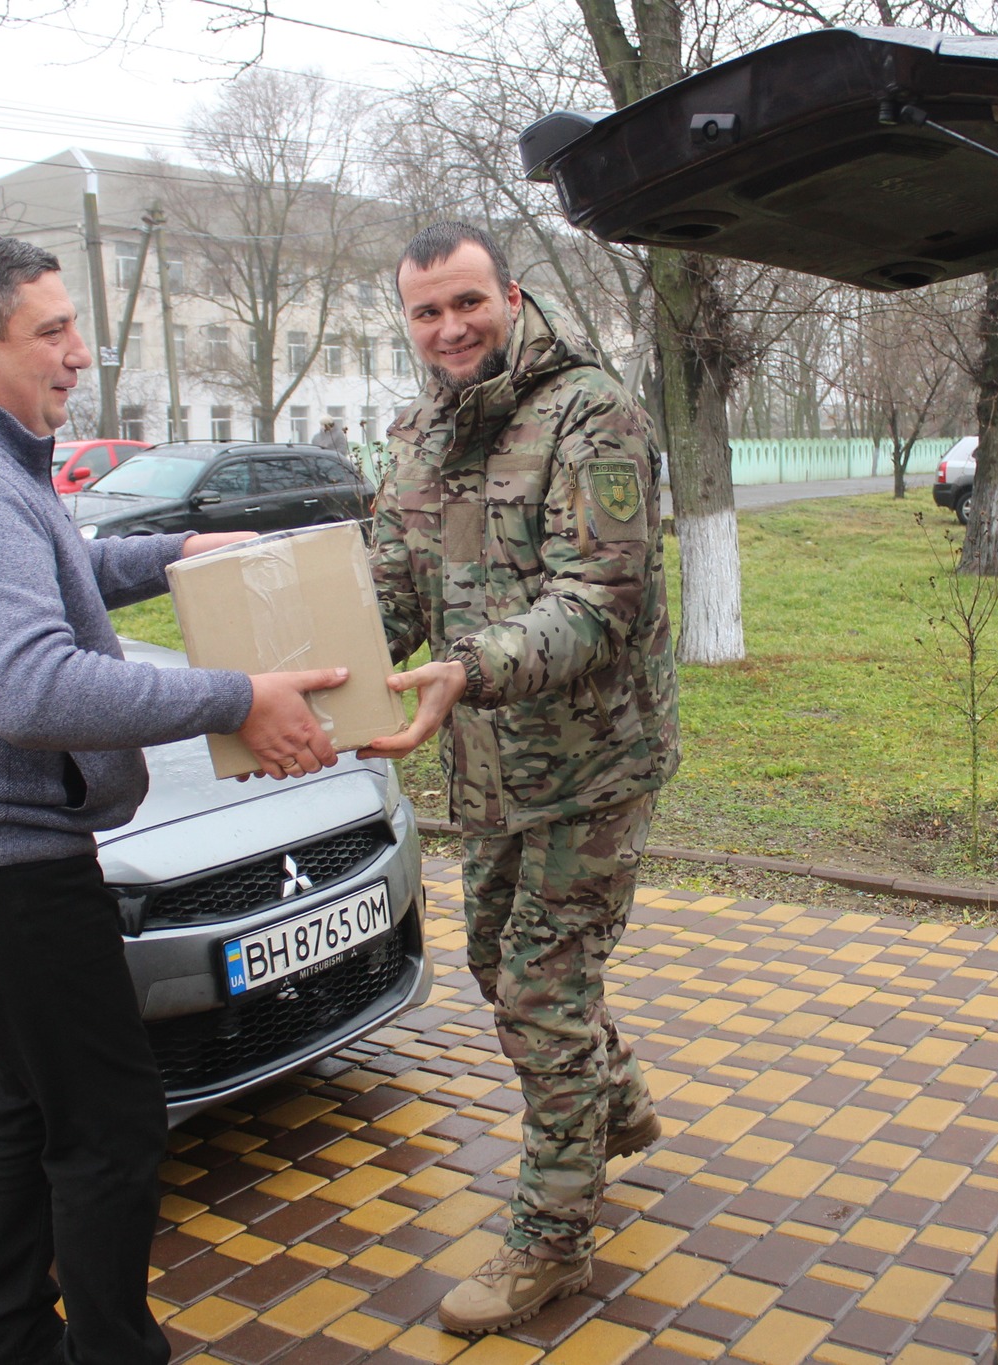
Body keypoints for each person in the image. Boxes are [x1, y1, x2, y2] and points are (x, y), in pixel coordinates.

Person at [0, 234, 347, 1365]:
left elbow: (57, 570)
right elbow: (29, 687)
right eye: (53, 333)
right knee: (110, 1124)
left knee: (32, 1100)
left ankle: (9, 1339)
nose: (81, 353)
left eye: (76, 326)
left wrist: (184, 554)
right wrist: (235, 698)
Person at [360, 222, 680, 1334]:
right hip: (486, 763)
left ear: (510, 294)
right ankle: (614, 1100)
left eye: (466, 304)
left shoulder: (591, 412)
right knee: (497, 965)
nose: (449, 329)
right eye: (425, 312)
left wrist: (467, 670)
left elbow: (603, 599)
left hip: (592, 765)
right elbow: (387, 591)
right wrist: (314, 676)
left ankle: (549, 1242)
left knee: (541, 994)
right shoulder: (415, 433)